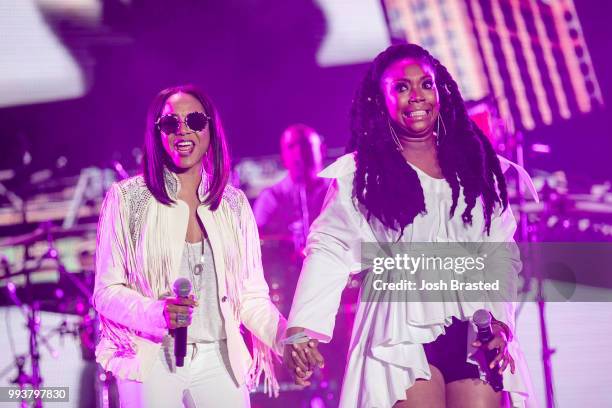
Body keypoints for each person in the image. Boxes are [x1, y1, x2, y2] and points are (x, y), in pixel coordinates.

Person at [283, 44, 537, 407]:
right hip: (400, 334)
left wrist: (500, 321)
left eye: (426, 84)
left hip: (473, 331)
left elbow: (500, 254)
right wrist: (302, 327)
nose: (416, 96)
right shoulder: (362, 175)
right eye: (401, 87)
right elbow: (329, 249)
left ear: (440, 91)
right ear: (380, 99)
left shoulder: (478, 168)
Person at [94, 85, 286, 407]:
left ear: (210, 128)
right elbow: (106, 291)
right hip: (153, 357)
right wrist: (158, 313)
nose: (183, 130)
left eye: (195, 121)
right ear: (158, 133)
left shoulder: (233, 204)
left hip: (219, 357)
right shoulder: (128, 199)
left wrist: (287, 339)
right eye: (171, 123)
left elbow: (252, 297)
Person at [253, 124, 329, 252]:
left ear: (322, 150)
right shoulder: (270, 198)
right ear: (283, 156)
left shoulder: (340, 190)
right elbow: (254, 242)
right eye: (291, 146)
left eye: (305, 144)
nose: (298, 152)